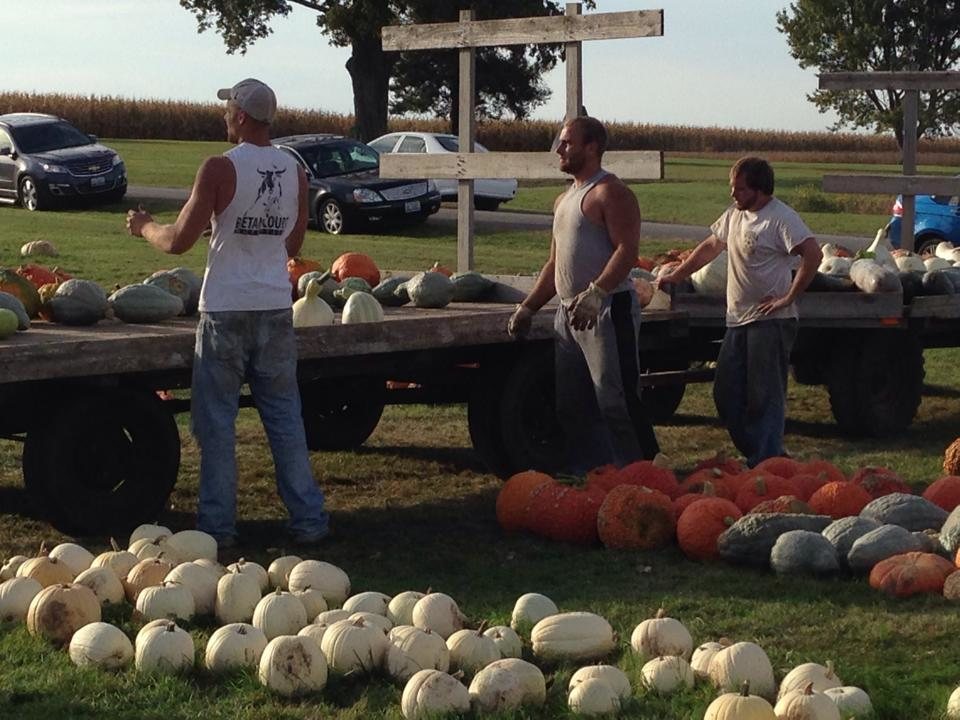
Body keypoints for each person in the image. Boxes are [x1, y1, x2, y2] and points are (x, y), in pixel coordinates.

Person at [126, 78, 329, 548]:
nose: (223, 116)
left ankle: (217, 528)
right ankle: (309, 520)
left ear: (240, 115)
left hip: (225, 310)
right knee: (285, 418)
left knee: (217, 424)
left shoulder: (219, 168)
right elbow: (291, 245)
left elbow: (178, 240)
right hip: (274, 307)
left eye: (227, 110)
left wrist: (144, 227)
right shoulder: (295, 171)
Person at [507, 116, 660, 473]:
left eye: (567, 143)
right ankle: (595, 476)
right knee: (573, 406)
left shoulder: (610, 192)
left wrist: (597, 292)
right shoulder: (564, 200)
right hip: (569, 313)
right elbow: (555, 263)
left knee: (616, 400)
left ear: (591, 147)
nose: (559, 149)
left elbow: (627, 251)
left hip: (606, 309)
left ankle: (646, 475)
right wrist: (528, 307)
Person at [657, 156, 822, 467]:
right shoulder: (734, 215)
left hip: (770, 321)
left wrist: (789, 296)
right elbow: (711, 245)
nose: (733, 194)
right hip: (737, 318)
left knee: (764, 394)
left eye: (740, 189)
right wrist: (677, 274)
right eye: (732, 187)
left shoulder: (781, 218)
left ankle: (765, 460)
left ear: (760, 190)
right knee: (726, 392)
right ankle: (762, 453)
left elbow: (812, 254)